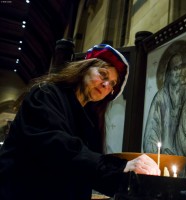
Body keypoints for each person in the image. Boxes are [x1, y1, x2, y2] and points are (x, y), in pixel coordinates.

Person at [0, 44, 160, 200]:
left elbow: (86, 170)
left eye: (112, 84)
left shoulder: (90, 119)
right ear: (84, 68)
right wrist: (119, 168)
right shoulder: (46, 94)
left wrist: (131, 180)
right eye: (103, 75)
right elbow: (57, 148)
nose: (106, 85)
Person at [143, 53, 186, 178]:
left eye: (181, 68)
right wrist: (161, 154)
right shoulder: (160, 98)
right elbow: (150, 134)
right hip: (164, 161)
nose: (179, 72)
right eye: (175, 68)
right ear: (168, 73)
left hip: (183, 161)